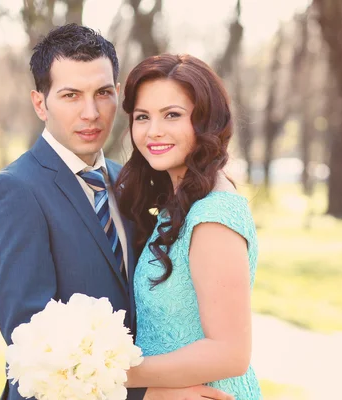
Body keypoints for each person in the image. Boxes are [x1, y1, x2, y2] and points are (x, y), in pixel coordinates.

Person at [0, 24, 233, 400]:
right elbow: (32, 343)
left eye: (102, 93)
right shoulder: (15, 191)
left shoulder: (128, 179)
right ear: (39, 103)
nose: (91, 112)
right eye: (70, 95)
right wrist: (148, 395)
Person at [116, 54, 263, 400]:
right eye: (142, 117)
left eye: (172, 115)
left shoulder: (212, 216)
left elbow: (230, 352)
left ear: (206, 121)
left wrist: (109, 372)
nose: (154, 131)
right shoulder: (182, 201)